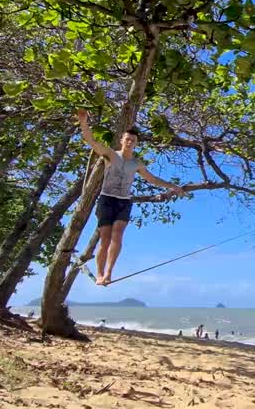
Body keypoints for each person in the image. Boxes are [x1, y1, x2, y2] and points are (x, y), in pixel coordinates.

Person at [76, 109, 184, 286]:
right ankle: (100, 274)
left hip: (124, 201)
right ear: (122, 140)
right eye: (127, 139)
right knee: (105, 239)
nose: (129, 142)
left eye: (133, 140)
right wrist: (83, 122)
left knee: (117, 235)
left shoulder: (136, 163)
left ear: (136, 143)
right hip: (107, 199)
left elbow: (152, 179)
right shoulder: (111, 155)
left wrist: (173, 186)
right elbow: (90, 141)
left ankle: (109, 273)